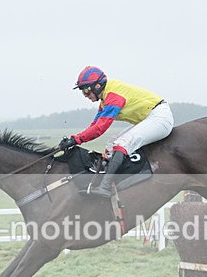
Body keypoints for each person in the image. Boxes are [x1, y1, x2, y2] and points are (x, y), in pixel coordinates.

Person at [58, 66, 174, 198]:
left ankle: (105, 187)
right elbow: (95, 125)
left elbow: (100, 127)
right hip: (149, 118)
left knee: (121, 143)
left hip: (160, 117)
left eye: (86, 91)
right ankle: (112, 181)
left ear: (97, 86)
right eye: (83, 92)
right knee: (111, 145)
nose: (85, 95)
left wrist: (77, 140)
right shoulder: (105, 99)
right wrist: (74, 139)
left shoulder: (113, 96)